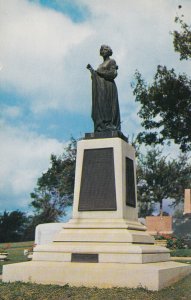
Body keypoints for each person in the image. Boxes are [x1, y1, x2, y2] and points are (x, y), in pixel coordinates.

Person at [87, 45, 121, 132]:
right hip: (100, 89)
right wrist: (93, 72)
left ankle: (109, 124)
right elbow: (97, 76)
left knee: (108, 105)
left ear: (109, 51)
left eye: (105, 49)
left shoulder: (112, 61)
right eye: (101, 49)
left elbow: (113, 74)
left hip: (108, 87)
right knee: (101, 105)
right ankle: (101, 125)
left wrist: (99, 72)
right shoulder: (100, 65)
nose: (103, 51)